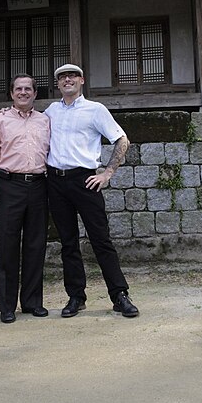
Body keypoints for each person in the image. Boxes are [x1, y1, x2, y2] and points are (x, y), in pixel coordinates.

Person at [45, 63, 139, 318]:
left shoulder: (95, 110)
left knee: (101, 239)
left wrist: (107, 173)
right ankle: (76, 296)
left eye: (72, 75)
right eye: (62, 76)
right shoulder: (51, 111)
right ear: (58, 83)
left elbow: (121, 139)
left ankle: (119, 295)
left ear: (81, 80)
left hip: (85, 179)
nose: (67, 79)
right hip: (55, 181)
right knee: (68, 242)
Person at [0, 73, 51, 324]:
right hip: (9, 186)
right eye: (18, 89)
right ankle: (7, 306)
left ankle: (32, 302)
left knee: (35, 244)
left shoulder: (45, 121)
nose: (23, 92)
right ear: (11, 94)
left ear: (35, 93)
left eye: (28, 89)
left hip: (39, 186)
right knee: (7, 246)